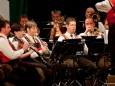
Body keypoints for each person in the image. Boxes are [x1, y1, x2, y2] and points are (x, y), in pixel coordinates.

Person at [57, 17, 97, 83]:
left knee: (93, 66)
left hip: (78, 57)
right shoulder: (62, 37)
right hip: (67, 58)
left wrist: (82, 43)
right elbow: (59, 52)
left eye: (75, 25)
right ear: (67, 26)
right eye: (72, 25)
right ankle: (72, 82)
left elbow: (86, 52)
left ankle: (80, 79)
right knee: (74, 65)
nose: (74, 27)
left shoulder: (79, 37)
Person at [95, 0, 115, 67]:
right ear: (103, 25)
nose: (107, 26)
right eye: (106, 24)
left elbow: (97, 6)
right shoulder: (105, 33)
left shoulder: (108, 2)